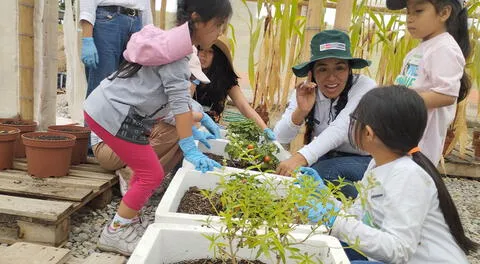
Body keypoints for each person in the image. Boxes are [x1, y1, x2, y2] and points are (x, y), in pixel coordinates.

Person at [83, 0, 232, 256]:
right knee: (151, 174)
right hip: (113, 115)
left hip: (110, 109)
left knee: (146, 169)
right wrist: (189, 146)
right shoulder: (177, 54)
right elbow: (177, 103)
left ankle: (129, 219)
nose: (220, 32)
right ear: (196, 18)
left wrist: (195, 126)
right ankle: (115, 232)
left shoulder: (172, 45)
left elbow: (168, 102)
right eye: (218, 25)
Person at [299, 86, 478, 263]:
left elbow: (398, 249)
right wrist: (325, 199)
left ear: (368, 133)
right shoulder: (377, 164)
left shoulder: (408, 177)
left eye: (354, 119)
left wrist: (334, 221)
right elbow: (359, 217)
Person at [91, 50, 212, 196]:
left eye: (193, 79)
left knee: (182, 133)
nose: (190, 82)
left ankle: (147, 178)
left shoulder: (155, 81)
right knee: (177, 132)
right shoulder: (151, 88)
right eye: (189, 77)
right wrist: (201, 118)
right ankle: (132, 173)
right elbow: (176, 117)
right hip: (108, 149)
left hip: (119, 145)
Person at [274, 30, 377, 198]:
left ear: (349, 70)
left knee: (322, 175)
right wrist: (301, 111)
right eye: (322, 69)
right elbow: (280, 137)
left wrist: (301, 157)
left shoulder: (365, 87)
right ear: (312, 73)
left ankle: (361, 209)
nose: (331, 78)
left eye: (339, 68)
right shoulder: (306, 91)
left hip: (364, 160)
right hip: (326, 157)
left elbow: (342, 128)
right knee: (303, 176)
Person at [387, 0, 471, 166]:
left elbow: (446, 95)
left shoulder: (444, 48)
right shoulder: (419, 50)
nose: (410, 19)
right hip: (402, 137)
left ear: (444, 13)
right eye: (408, 12)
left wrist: (400, 100)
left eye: (418, 11)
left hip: (420, 145)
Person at [194, 36, 276, 140]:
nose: (203, 55)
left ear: (219, 57)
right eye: (200, 49)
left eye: (210, 51)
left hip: (211, 134)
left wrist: (265, 129)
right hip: (184, 129)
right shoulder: (186, 73)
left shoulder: (225, 79)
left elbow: (244, 106)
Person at [80, 0, 153, 98]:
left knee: (130, 90)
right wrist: (87, 38)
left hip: (137, 22)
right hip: (108, 21)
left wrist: (148, 31)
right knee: (101, 89)